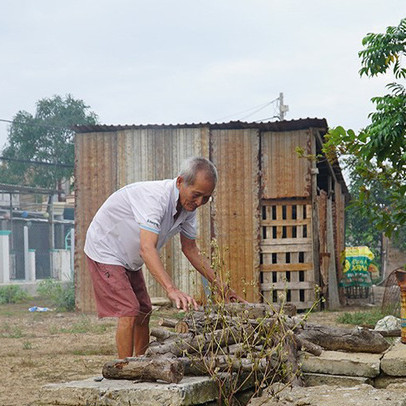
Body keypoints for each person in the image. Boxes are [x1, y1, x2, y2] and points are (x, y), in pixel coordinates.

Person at [84, 156, 244, 358]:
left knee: (144, 309)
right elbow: (147, 248)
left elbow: (191, 249)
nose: (199, 202)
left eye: (206, 198)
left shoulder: (188, 208)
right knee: (129, 310)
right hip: (105, 247)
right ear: (180, 182)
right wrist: (171, 289)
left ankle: (142, 364)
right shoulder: (155, 198)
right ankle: (123, 371)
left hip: (128, 256)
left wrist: (224, 289)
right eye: (196, 195)